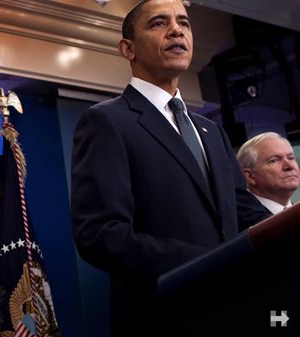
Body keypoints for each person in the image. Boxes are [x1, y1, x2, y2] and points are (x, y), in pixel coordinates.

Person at [70, 1, 271, 335]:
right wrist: (210, 262)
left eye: (184, 23)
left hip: (234, 311)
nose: (177, 30)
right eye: (159, 23)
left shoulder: (210, 129)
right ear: (128, 49)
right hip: (163, 317)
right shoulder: (106, 121)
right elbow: (100, 235)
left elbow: (245, 212)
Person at [237, 132, 300, 214]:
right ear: (250, 176)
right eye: (274, 160)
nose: (289, 166)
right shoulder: (237, 221)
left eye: (291, 158)